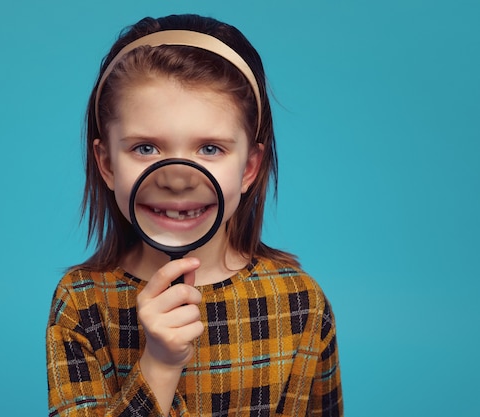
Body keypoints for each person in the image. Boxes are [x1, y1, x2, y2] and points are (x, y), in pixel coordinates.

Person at [46, 14, 342, 417]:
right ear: (108, 164)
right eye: (146, 148)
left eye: (210, 149)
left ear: (249, 168)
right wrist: (159, 365)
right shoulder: (83, 303)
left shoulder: (300, 303)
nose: (178, 180)